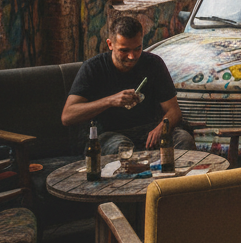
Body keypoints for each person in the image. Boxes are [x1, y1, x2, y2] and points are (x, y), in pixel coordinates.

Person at [61, 15, 195, 156]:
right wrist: (110, 101)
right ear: (110, 44)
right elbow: (68, 116)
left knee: (183, 139)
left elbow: (174, 111)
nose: (132, 56)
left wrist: (161, 128)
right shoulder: (93, 68)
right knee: (122, 148)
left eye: (138, 48)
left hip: (150, 130)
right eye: (124, 50)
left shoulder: (154, 64)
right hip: (109, 135)